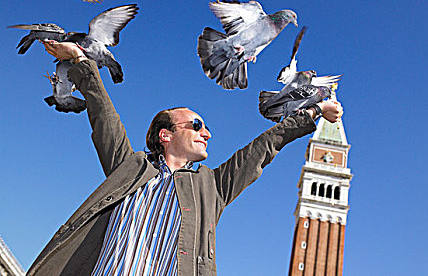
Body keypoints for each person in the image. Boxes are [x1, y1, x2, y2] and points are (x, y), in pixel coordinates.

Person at [28, 41, 343, 276]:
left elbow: (263, 147)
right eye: (196, 125)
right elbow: (103, 118)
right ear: (166, 135)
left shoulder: (211, 187)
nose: (205, 132)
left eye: (206, 127)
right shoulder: (131, 167)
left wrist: (314, 111)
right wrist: (80, 60)